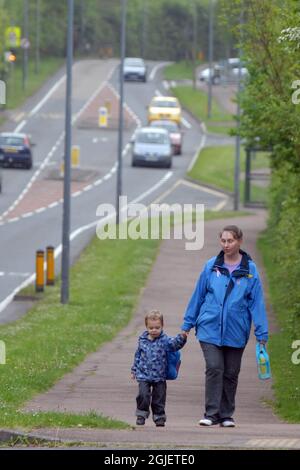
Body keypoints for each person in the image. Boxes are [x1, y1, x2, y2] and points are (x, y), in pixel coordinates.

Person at [181, 225, 268, 428]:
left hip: (236, 330)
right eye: (223, 241)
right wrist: (188, 324)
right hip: (209, 328)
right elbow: (198, 295)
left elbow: (257, 303)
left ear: (239, 241)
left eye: (230, 241)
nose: (226, 245)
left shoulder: (250, 270)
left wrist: (262, 332)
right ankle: (211, 413)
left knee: (231, 372)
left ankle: (226, 415)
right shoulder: (211, 266)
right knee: (214, 367)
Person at [131, 310, 187, 427]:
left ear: (162, 326)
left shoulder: (165, 340)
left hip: (160, 375)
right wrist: (134, 370)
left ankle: (159, 417)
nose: (154, 330)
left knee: (159, 398)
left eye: (157, 327)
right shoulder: (142, 340)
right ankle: (141, 414)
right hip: (143, 374)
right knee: (143, 395)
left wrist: (182, 337)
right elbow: (138, 355)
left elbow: (174, 345)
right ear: (146, 327)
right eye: (151, 328)